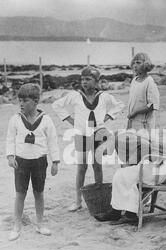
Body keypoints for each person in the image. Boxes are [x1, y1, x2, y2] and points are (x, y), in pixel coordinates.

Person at [52, 66, 125, 212]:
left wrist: (108, 117)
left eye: (88, 79)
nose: (84, 82)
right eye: (82, 79)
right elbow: (56, 105)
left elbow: (120, 105)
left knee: (97, 166)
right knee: (82, 167)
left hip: (98, 134)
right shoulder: (75, 95)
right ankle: (78, 200)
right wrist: (69, 119)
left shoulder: (104, 96)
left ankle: (99, 195)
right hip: (82, 135)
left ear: (97, 81)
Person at [94, 129, 166, 223]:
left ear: (103, 141)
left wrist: (131, 164)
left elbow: (145, 146)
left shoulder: (120, 138)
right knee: (128, 175)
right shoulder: (122, 136)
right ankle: (127, 214)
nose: (104, 154)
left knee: (120, 175)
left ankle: (118, 213)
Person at [6, 83, 60, 241]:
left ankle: (40, 223)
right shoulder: (15, 119)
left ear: (36, 101)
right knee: (20, 194)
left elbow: (52, 141)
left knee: (39, 193)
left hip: (39, 161)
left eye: (25, 100)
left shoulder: (46, 120)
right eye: (19, 100)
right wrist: (10, 156)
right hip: (21, 162)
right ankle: (17, 225)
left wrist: (55, 161)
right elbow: (10, 139)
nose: (21, 104)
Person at [127, 53, 160, 133]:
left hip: (144, 124)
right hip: (133, 121)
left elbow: (152, 105)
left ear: (145, 65)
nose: (135, 65)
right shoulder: (134, 81)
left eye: (138, 63)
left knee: (144, 144)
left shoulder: (149, 82)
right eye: (134, 63)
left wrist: (136, 112)